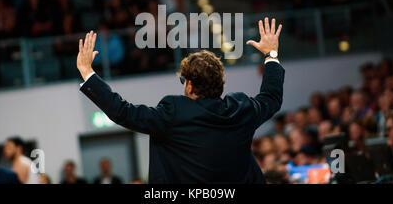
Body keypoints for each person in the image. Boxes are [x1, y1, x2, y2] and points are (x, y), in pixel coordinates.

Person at [77, 17, 284, 183]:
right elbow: (271, 98)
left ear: (191, 85)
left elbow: (123, 112)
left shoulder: (174, 112)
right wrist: (271, 54)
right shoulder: (241, 109)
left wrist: (88, 72)